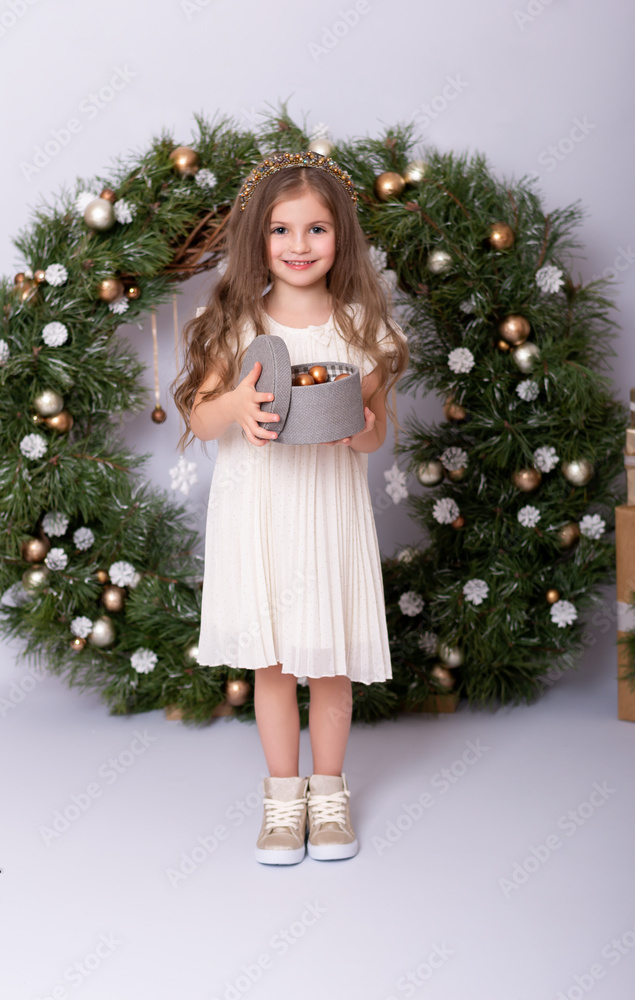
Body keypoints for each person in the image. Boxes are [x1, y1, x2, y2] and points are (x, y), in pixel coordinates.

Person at [172, 150, 409, 865]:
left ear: (341, 238)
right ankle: (282, 800)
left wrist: (360, 428)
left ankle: (328, 794)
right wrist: (236, 403)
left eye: (315, 230)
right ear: (257, 238)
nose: (298, 247)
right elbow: (203, 419)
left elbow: (375, 432)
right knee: (272, 661)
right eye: (281, 230)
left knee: (328, 661)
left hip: (325, 515)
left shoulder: (360, 326)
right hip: (260, 516)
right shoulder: (238, 325)